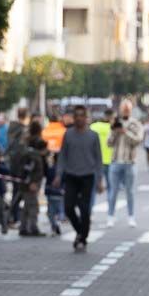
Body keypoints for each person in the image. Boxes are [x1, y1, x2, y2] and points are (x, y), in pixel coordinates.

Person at [57, 105, 103, 251]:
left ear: (86, 118)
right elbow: (62, 156)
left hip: (87, 176)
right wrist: (58, 175)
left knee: (84, 209)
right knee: (68, 207)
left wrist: (100, 180)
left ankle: (83, 237)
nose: (78, 118)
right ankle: (79, 231)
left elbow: (98, 159)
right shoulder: (68, 134)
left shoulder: (93, 136)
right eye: (76, 116)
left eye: (81, 116)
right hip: (71, 175)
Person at [107, 99, 144, 228]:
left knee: (130, 191)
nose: (125, 111)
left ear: (131, 109)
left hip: (130, 162)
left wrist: (125, 132)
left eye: (127, 108)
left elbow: (138, 140)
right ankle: (110, 216)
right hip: (116, 161)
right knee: (113, 191)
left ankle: (131, 216)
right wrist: (115, 132)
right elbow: (109, 143)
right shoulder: (115, 123)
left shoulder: (135, 124)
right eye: (123, 108)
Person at [20, 132, 49, 237]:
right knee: (33, 207)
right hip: (30, 186)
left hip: (29, 185)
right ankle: (32, 228)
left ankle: (24, 227)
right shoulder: (34, 157)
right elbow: (27, 171)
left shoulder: (33, 155)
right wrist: (31, 183)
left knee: (27, 206)